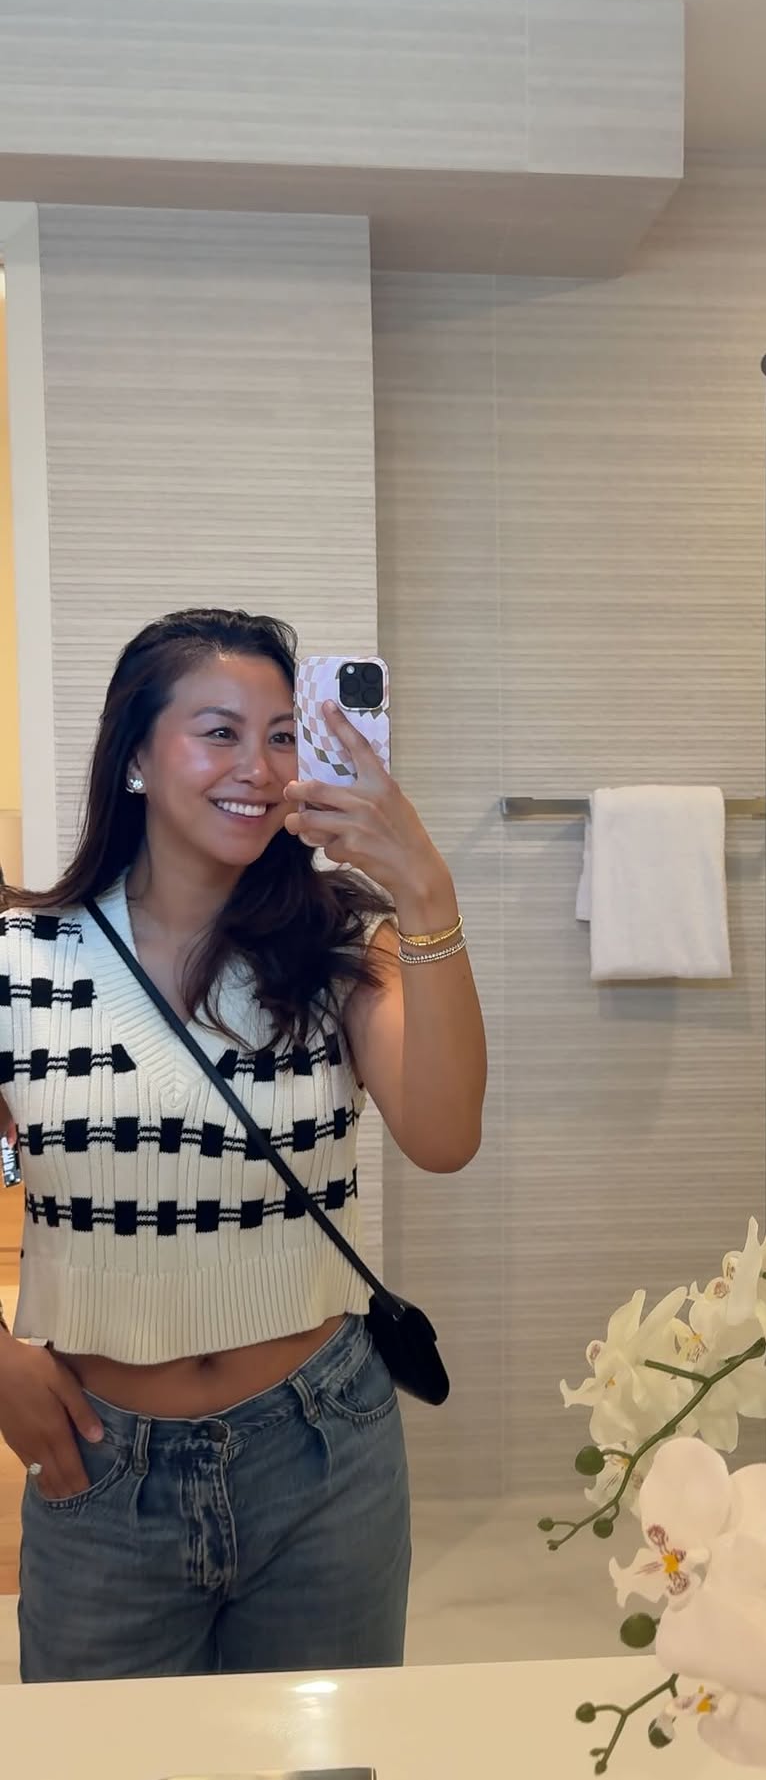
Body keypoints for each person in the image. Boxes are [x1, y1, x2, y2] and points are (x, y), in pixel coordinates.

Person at [0, 607, 486, 1683]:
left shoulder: (343, 947)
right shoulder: (22, 958)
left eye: (281, 736)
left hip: (322, 1450)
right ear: (135, 755)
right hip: (100, 1466)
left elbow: (446, 1133)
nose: (258, 769)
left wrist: (427, 891)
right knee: (108, 1759)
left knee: (324, 1754)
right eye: (219, 732)